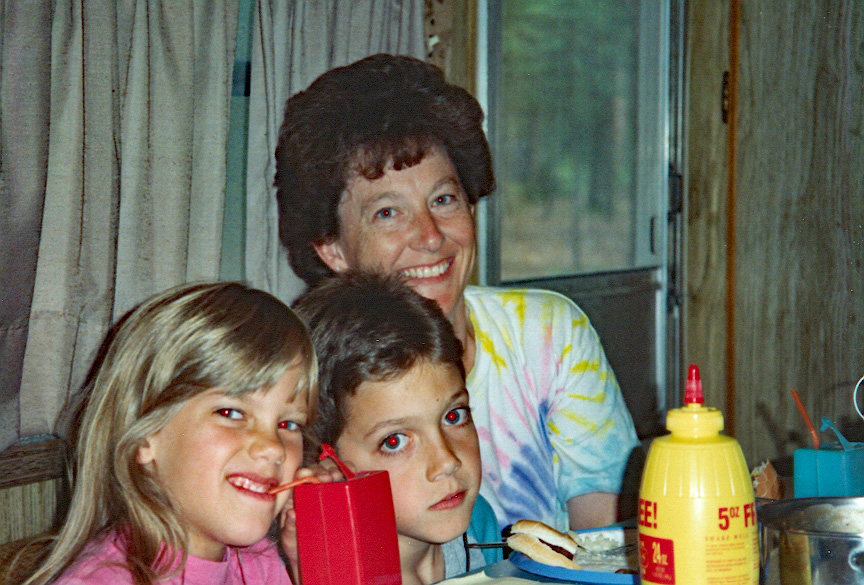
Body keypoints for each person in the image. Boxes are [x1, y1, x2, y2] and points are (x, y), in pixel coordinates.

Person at [275, 53, 639, 533]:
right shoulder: (303, 379)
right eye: (388, 213)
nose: (430, 236)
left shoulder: (548, 336)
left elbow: (603, 539)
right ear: (332, 248)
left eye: (443, 200)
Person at [21, 282, 317, 585]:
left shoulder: (258, 564)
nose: (274, 448)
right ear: (145, 434)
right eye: (231, 413)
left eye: (288, 425)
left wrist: (308, 562)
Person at [291, 272, 494, 584]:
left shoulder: (480, 524)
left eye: (453, 417)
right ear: (330, 466)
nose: (447, 461)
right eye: (395, 441)